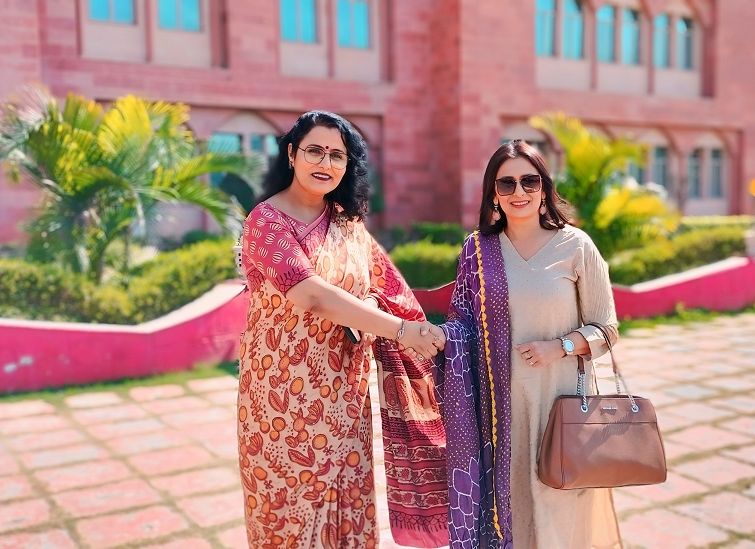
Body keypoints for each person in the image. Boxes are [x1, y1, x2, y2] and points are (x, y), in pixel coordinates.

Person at [237, 110, 449, 549]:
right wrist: (401, 331)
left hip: (345, 394)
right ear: (292, 155)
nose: (326, 163)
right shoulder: (266, 221)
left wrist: (375, 311)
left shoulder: (348, 223)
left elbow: (382, 287)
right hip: (281, 399)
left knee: (347, 507)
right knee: (290, 513)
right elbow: (311, 294)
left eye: (337, 155)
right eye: (315, 151)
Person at [437, 140, 622, 548]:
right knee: (512, 515)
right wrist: (432, 336)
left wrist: (561, 347)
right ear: (494, 194)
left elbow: (606, 328)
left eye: (529, 181)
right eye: (506, 183)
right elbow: (461, 324)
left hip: (561, 406)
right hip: (499, 413)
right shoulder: (477, 251)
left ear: (544, 189)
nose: (518, 192)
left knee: (561, 514)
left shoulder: (575, 246)